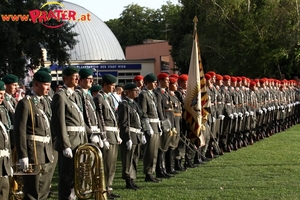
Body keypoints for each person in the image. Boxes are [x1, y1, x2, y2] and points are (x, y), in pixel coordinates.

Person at [14, 71, 54, 200]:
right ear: (36, 84)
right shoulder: (26, 103)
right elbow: (20, 131)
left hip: (46, 152)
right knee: (32, 191)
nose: (48, 88)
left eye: (49, 85)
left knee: (44, 190)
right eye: (46, 84)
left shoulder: (45, 102)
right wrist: (23, 155)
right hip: (33, 153)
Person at [51, 66, 88, 200]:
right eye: (74, 76)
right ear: (66, 78)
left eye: (78, 76)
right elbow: (58, 123)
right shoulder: (60, 96)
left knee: (77, 175)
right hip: (70, 143)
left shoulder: (76, 95)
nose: (78, 78)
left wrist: (94, 133)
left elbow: (81, 121)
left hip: (80, 141)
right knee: (67, 177)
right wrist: (65, 145)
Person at [93, 74, 121, 199]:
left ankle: (108, 187)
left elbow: (113, 117)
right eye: (112, 85)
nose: (113, 88)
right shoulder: (98, 98)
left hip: (113, 133)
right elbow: (100, 119)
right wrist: (103, 137)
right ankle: (102, 189)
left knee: (112, 164)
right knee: (106, 163)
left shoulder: (108, 98)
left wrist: (117, 134)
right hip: (107, 133)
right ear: (105, 85)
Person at [118, 83, 146, 190]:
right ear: (127, 92)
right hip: (130, 134)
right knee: (128, 159)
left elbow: (140, 119)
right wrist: (127, 138)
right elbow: (124, 123)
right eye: (135, 91)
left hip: (137, 134)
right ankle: (128, 180)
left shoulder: (134, 104)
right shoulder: (124, 105)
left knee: (135, 158)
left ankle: (133, 179)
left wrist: (142, 133)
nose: (137, 92)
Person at [138, 73, 161, 182]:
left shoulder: (152, 94)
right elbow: (143, 112)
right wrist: (147, 127)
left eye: (156, 82)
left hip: (156, 124)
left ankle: (152, 171)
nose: (155, 84)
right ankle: (148, 172)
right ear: (147, 83)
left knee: (155, 151)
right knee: (150, 151)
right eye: (153, 82)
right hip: (150, 125)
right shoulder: (143, 95)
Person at [0, 80, 13, 199]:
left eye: (3, 94)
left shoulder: (2, 110)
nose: (1, 97)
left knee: (4, 192)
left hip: (4, 161)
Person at [2, 74, 18, 150]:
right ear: (6, 86)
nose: (16, 88)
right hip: (8, 136)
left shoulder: (12, 99)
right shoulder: (3, 100)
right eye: (14, 85)